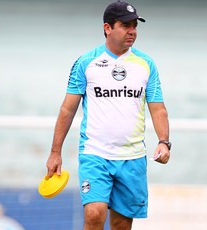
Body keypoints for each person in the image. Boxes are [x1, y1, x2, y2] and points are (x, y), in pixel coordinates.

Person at [45, 1, 171, 229]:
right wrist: (55, 152)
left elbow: (158, 108)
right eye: (125, 25)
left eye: (135, 26)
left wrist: (164, 142)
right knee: (94, 213)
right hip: (95, 154)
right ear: (107, 28)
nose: (132, 31)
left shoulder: (146, 64)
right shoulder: (86, 63)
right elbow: (67, 109)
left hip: (133, 157)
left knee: (122, 224)